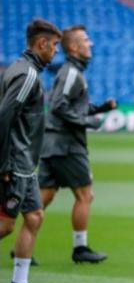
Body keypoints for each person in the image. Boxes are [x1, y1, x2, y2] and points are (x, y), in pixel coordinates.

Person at [37, 25, 117, 264]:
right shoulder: (72, 72)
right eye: (85, 40)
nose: (90, 43)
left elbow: (72, 106)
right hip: (67, 144)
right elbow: (59, 107)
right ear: (73, 47)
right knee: (85, 194)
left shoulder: (71, 72)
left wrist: (101, 108)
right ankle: (80, 248)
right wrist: (87, 122)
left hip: (51, 142)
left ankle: (22, 246)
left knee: (44, 197)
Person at [0, 19, 62, 283]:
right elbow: (5, 116)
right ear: (42, 44)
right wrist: (4, 164)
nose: (56, 51)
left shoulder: (23, 69)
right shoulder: (27, 75)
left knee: (35, 216)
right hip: (15, 161)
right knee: (5, 225)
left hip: (26, 161)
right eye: (55, 46)